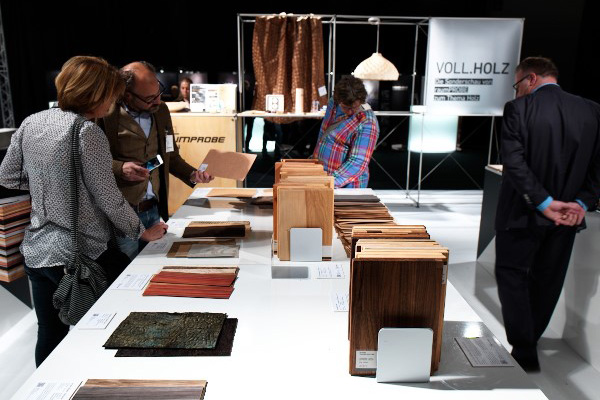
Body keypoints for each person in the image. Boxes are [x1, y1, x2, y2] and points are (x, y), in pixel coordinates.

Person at [0, 56, 167, 367]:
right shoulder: (87, 132)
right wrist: (141, 231)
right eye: (112, 95)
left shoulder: (31, 121)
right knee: (107, 327)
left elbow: (7, 177)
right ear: (97, 94)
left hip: (38, 250)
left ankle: (47, 387)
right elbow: (108, 196)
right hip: (83, 253)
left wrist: (49, 184)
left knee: (49, 332)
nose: (114, 102)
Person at [495, 57, 600, 371]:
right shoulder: (592, 110)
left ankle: (524, 348)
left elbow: (514, 163)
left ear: (530, 79)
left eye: (516, 85)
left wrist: (543, 202)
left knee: (511, 275)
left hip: (521, 213)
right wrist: (581, 203)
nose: (516, 92)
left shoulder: (518, 109)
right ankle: (530, 342)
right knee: (548, 280)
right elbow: (597, 167)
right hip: (568, 217)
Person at [98, 61, 212, 260]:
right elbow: (91, 162)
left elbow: (170, 156)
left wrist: (193, 174)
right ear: (127, 95)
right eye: (150, 98)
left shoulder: (161, 111)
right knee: (125, 270)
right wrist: (119, 168)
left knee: (152, 267)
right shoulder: (105, 114)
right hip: (122, 214)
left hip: (153, 210)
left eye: (159, 91)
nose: (158, 100)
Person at [312, 75, 379, 188]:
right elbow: (324, 132)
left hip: (346, 185)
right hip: (324, 176)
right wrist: (315, 160)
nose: (350, 112)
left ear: (361, 101)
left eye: (354, 107)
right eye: (346, 107)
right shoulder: (334, 103)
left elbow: (357, 162)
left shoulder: (367, 122)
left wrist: (328, 182)